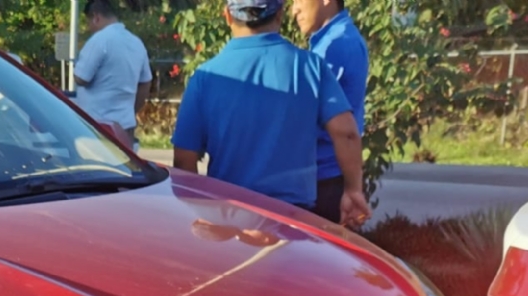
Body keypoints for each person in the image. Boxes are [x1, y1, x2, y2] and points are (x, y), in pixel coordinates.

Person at [172, 0, 370, 228]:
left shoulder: (205, 77)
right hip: (296, 221)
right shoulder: (311, 67)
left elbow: (183, 159)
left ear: (227, 16)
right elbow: (346, 132)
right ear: (279, 15)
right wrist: (353, 189)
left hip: (228, 220)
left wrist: (202, 209)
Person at [292, 0, 368, 225]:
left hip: (323, 181)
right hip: (326, 176)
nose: (294, 9)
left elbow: (334, 125)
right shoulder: (332, 39)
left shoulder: (335, 45)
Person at [73, 0, 152, 148]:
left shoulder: (99, 40)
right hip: (126, 127)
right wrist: (130, 110)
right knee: (124, 168)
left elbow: (81, 78)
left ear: (96, 17)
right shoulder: (136, 42)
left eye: (88, 22)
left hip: (96, 128)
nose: (89, 28)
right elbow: (146, 82)